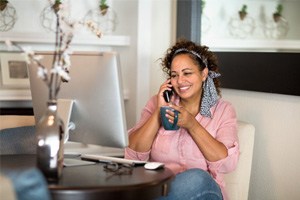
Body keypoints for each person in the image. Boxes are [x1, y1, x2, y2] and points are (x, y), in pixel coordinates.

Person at [125, 39, 239, 200]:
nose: (180, 81)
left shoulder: (223, 110)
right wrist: (159, 112)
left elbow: (227, 164)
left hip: (204, 193)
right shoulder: (157, 102)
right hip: (160, 187)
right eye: (174, 75)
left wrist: (192, 125)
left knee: (196, 177)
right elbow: (133, 155)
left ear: (204, 74)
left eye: (187, 73)